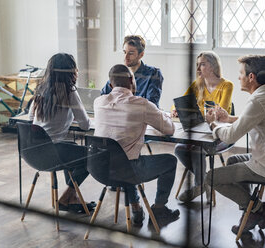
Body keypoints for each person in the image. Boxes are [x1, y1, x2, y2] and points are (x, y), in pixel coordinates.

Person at [205, 55, 265, 234]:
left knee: (211, 177)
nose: (239, 77)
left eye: (241, 73)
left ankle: (257, 209)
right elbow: (257, 119)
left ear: (251, 77)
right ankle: (249, 214)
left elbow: (230, 136)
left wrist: (213, 124)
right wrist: (229, 118)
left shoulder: (257, 101)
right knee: (232, 161)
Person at [94, 64, 180, 227]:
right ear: (132, 81)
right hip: (127, 170)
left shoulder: (98, 102)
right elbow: (169, 129)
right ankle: (159, 209)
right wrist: (160, 114)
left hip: (99, 169)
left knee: (125, 155)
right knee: (169, 161)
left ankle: (136, 207)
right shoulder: (141, 104)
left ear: (111, 85)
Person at [28, 53, 95, 213]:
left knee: (70, 147)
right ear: (71, 71)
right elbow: (85, 125)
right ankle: (66, 197)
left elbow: (31, 117)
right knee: (93, 156)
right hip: (53, 152)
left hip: (33, 152)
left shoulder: (40, 89)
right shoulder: (69, 91)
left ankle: (73, 198)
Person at [172, 51, 234, 203]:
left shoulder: (226, 85)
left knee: (197, 149)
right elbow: (181, 103)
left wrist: (195, 113)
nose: (199, 67)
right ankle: (204, 183)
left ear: (213, 66)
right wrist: (176, 109)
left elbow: (221, 111)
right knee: (179, 149)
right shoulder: (197, 84)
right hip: (199, 132)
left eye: (203, 64)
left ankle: (199, 185)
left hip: (219, 133)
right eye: (197, 64)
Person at [100, 35, 163, 108]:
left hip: (143, 118)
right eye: (124, 52)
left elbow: (151, 106)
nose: (126, 57)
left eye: (131, 53)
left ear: (141, 54)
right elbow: (103, 98)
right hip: (121, 117)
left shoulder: (154, 74)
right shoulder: (119, 73)